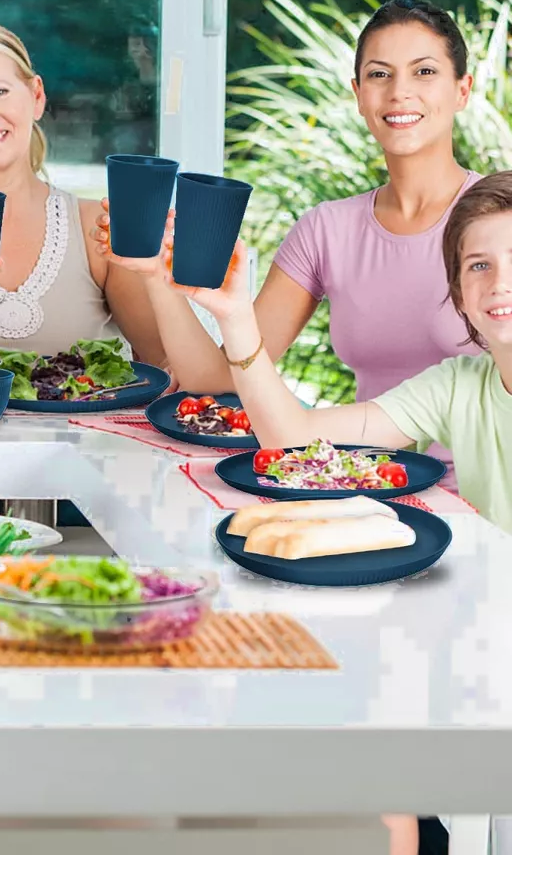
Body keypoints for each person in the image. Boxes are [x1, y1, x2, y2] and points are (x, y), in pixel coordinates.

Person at [158, 169, 511, 857]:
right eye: (479, 264)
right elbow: (294, 445)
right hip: (484, 639)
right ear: (459, 295)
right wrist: (236, 321)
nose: (500, 282)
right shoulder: (459, 384)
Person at [96, 0, 483, 486]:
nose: (399, 93)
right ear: (359, 93)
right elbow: (219, 378)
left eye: (424, 72)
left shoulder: (502, 222)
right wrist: (154, 274)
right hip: (366, 485)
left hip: (489, 498)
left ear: (462, 89)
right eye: (380, 75)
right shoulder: (328, 230)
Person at [0, 21, 165, 368]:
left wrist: (159, 270)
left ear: (37, 96)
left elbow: (168, 363)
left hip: (83, 424)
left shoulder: (97, 226)